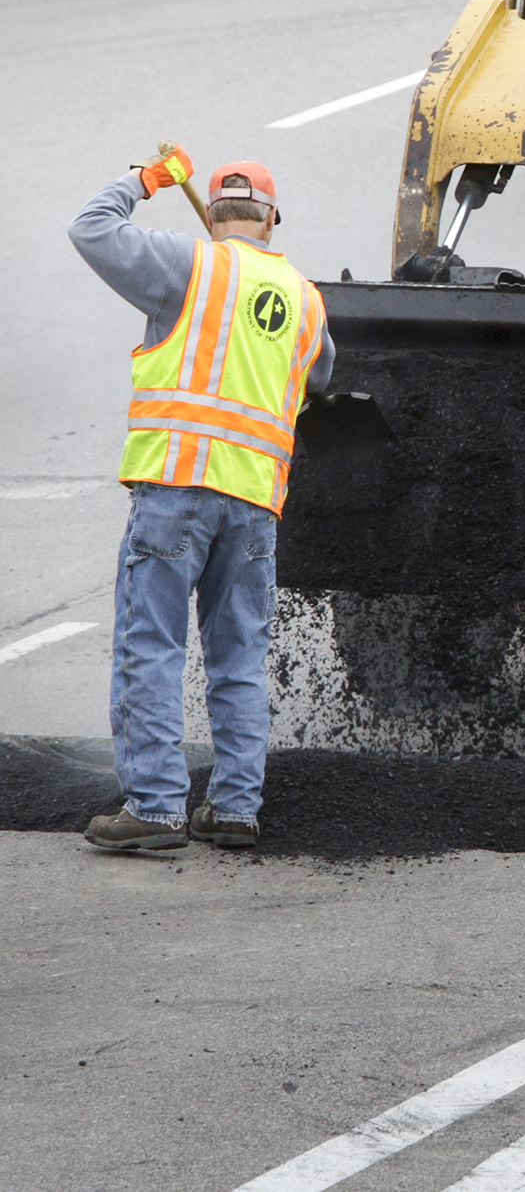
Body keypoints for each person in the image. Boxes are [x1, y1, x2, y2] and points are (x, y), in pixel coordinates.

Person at [68, 148, 333, 851]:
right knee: (239, 657)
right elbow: (322, 374)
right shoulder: (306, 301)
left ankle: (155, 809)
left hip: (179, 488)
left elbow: (92, 228)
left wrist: (146, 179)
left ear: (213, 214)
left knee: (152, 645)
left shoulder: (190, 265)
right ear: (271, 220)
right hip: (254, 505)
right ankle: (236, 808)